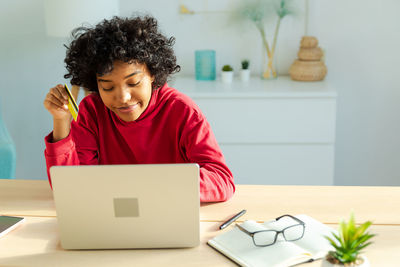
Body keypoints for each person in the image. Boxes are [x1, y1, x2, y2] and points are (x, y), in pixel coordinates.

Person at [43, 15, 235, 202]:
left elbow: (221, 179)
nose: (123, 98)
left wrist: (154, 186)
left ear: (153, 74)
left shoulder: (182, 110)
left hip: (168, 212)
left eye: (133, 82)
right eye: (108, 87)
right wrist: (61, 121)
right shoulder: (92, 110)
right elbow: (70, 186)